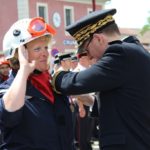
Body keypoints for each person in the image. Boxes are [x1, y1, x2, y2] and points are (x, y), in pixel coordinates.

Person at [52, 8, 150, 150]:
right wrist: (91, 100)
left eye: (86, 50)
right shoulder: (133, 52)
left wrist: (58, 74)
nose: (89, 56)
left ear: (98, 39)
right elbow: (124, 101)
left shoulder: (119, 53)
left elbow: (74, 83)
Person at [0, 17, 74, 150]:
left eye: (46, 47)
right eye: (37, 49)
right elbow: (9, 117)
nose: (45, 53)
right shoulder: (7, 89)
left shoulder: (53, 86)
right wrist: (24, 69)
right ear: (18, 54)